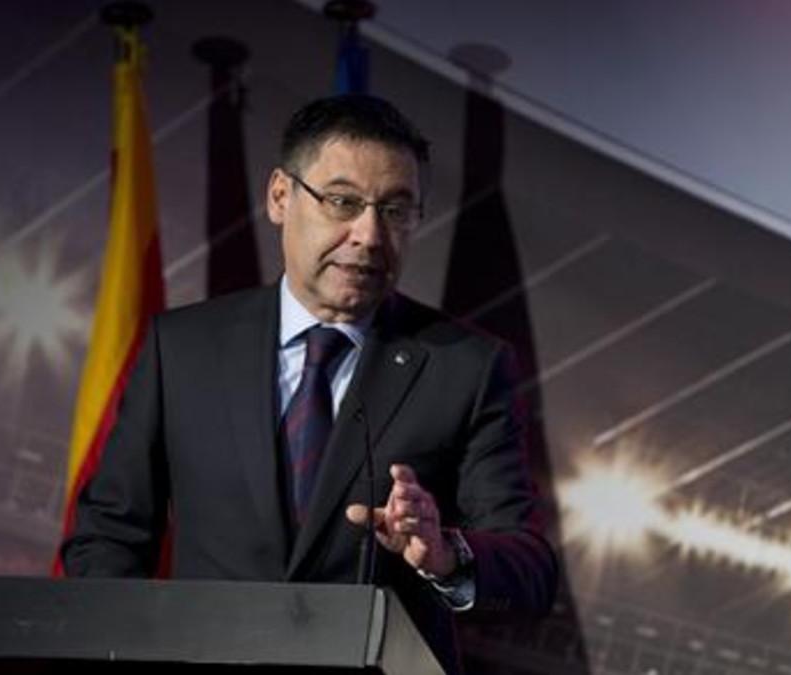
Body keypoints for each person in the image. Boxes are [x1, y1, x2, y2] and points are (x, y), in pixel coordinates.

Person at [62, 94, 557, 673]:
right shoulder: (183, 348)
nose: (370, 235)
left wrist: (447, 553)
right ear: (280, 196)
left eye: (396, 211)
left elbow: (530, 566)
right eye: (343, 202)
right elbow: (108, 537)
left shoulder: (465, 367)